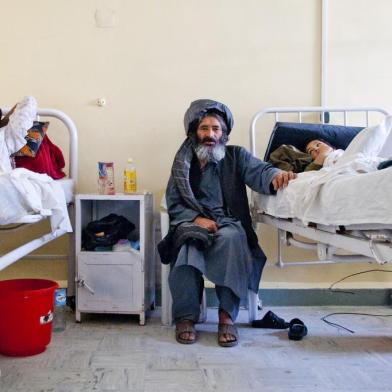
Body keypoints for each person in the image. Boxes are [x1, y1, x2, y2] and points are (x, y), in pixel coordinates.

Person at [163, 99, 296, 347]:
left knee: (233, 239)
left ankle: (226, 316)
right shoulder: (183, 163)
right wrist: (195, 219)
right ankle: (187, 317)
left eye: (216, 129)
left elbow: (260, 171)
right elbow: (173, 201)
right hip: (192, 221)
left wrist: (276, 175)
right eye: (204, 128)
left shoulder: (237, 156)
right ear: (194, 131)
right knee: (187, 246)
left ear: (224, 133)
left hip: (228, 222)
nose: (210, 135)